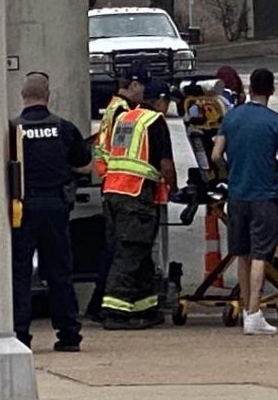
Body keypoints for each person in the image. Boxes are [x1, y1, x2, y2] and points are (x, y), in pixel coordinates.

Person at [210, 68, 278, 336]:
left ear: (250, 89)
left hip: (237, 196)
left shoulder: (231, 117)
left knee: (242, 253)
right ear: (272, 90)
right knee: (261, 255)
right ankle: (254, 312)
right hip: (264, 197)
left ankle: (244, 309)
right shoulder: (276, 122)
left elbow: (216, 155)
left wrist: (232, 172)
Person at [12, 73, 92, 352]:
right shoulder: (64, 128)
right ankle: (68, 334)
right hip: (56, 207)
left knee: (20, 273)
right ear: (48, 96)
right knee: (59, 271)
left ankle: (20, 335)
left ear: (23, 96)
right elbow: (84, 164)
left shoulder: (13, 129)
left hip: (21, 209)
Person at [100, 78, 176, 330]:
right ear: (161, 101)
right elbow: (165, 164)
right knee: (130, 252)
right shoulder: (155, 122)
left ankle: (147, 307)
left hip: (113, 191)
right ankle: (113, 310)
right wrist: (174, 187)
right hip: (136, 195)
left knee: (140, 251)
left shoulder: (127, 118)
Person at [87, 67, 147, 321]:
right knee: (121, 251)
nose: (144, 92)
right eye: (142, 86)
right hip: (124, 185)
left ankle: (100, 304)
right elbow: (123, 150)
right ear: (133, 85)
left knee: (114, 248)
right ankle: (106, 306)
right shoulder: (125, 113)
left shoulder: (112, 107)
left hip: (109, 182)